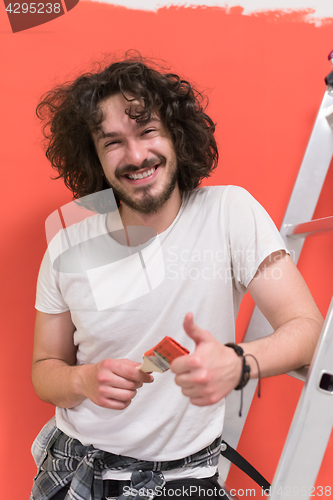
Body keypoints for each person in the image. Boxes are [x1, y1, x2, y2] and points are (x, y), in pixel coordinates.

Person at [30, 55, 323, 500]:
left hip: (179, 482)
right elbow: (44, 368)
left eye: (147, 131)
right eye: (112, 143)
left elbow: (307, 330)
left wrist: (239, 361)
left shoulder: (229, 212)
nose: (136, 156)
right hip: (72, 468)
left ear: (175, 135)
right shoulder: (66, 246)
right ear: (94, 156)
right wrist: (81, 381)